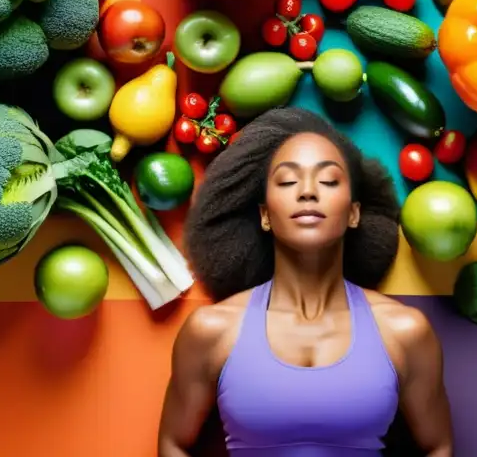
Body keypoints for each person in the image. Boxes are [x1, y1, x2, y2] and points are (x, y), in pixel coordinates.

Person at [158, 107, 454, 456]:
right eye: (287, 181)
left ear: (354, 213)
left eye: (329, 180)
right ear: (265, 215)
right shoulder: (211, 331)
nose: (308, 191)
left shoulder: (405, 332)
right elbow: (172, 443)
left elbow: (439, 446)